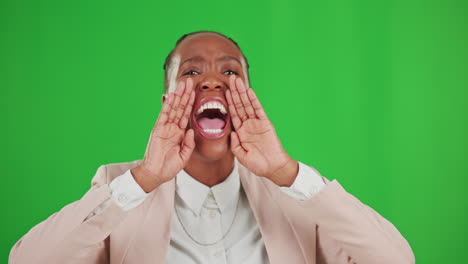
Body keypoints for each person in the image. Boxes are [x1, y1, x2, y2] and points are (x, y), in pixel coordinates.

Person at [9, 31, 415, 264]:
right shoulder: (120, 187)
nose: (210, 80)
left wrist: (288, 175)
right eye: (190, 72)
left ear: (249, 96)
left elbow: (397, 259)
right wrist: (144, 179)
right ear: (167, 100)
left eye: (229, 70)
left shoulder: (297, 195)